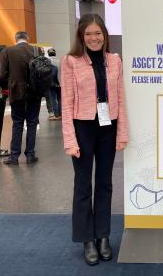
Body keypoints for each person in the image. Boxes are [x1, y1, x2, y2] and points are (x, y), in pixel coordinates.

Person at [61, 14, 128, 266]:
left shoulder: (114, 60)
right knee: (82, 185)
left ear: (105, 35)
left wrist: (122, 133)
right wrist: (70, 139)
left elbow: (120, 99)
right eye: (88, 34)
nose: (93, 38)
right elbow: (66, 104)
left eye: (97, 33)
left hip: (107, 127)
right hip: (82, 128)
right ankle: (87, 238)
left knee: (104, 183)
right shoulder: (70, 62)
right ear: (81, 35)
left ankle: (103, 236)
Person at [0, 31, 42, 166]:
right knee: (32, 122)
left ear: (16, 39)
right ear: (27, 39)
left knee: (17, 123)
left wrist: (12, 79)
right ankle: (30, 155)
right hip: (34, 92)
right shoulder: (37, 50)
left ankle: (14, 157)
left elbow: (2, 74)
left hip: (16, 91)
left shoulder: (7, 51)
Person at [47, 48, 61, 120]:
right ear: (55, 53)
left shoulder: (47, 61)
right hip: (59, 83)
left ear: (48, 54)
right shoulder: (60, 61)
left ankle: (54, 114)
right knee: (60, 98)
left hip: (50, 83)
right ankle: (61, 114)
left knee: (52, 98)